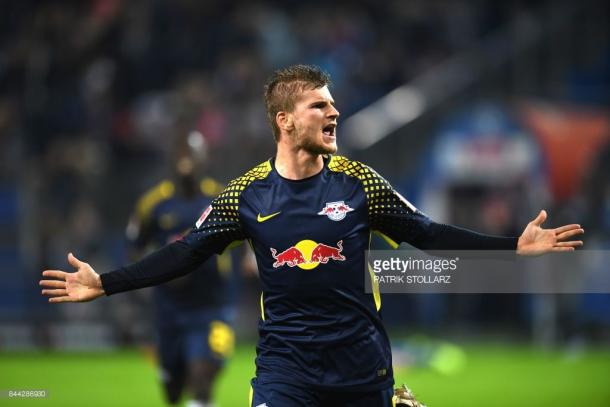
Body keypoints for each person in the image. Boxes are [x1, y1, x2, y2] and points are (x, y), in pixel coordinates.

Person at [41, 65, 584, 407]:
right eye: (319, 105)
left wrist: (511, 246)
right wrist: (105, 283)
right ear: (284, 121)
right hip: (284, 368)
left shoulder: (359, 182)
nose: (335, 111)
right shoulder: (245, 195)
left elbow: (427, 232)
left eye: (332, 102)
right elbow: (184, 253)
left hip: (360, 365)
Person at [125, 133, 235, 407]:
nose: (186, 160)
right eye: (181, 154)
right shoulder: (153, 203)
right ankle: (172, 376)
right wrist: (167, 263)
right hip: (169, 310)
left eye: (192, 154)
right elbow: (134, 247)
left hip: (210, 307)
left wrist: (250, 259)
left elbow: (247, 236)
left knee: (202, 377)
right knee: (173, 391)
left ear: (204, 158)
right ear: (172, 160)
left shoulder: (220, 198)